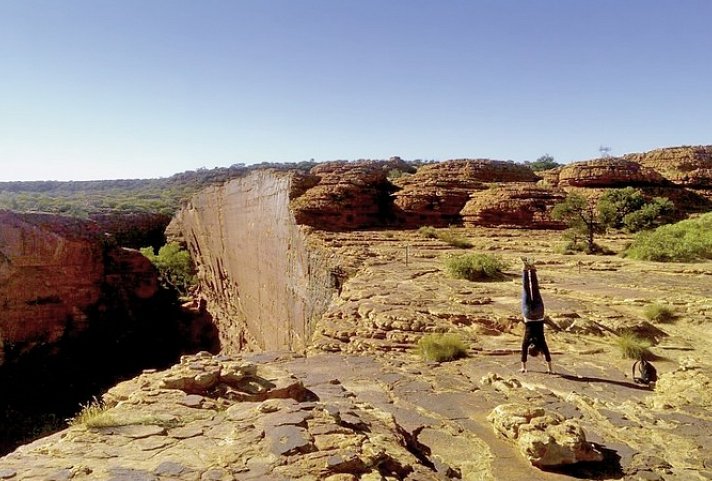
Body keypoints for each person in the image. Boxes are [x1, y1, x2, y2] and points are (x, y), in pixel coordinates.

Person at [520, 257, 553, 374]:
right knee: (526, 290)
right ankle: (525, 268)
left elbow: (548, 356)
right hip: (528, 315)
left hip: (539, 314)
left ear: (538, 351)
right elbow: (523, 354)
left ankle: (532, 268)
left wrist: (550, 369)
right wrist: (523, 367)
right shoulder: (526, 341)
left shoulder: (541, 343)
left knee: (535, 289)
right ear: (530, 348)